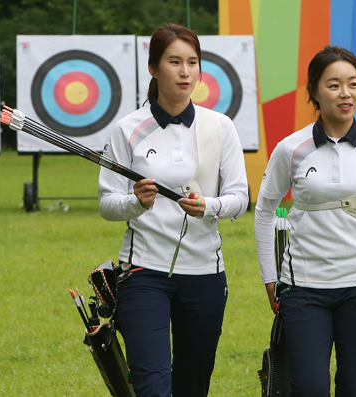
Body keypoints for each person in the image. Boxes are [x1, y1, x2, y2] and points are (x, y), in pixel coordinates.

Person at [255, 45, 356, 397]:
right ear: (314, 91)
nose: (345, 93)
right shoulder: (290, 148)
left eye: (353, 83)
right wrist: (270, 277)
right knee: (310, 388)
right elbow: (265, 210)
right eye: (333, 85)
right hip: (303, 289)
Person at [98, 23, 248, 397]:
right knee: (151, 385)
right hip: (143, 272)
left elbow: (239, 198)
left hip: (205, 274)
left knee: (192, 385)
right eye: (174, 61)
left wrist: (208, 206)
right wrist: (136, 202)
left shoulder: (221, 126)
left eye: (193, 62)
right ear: (153, 68)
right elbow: (107, 203)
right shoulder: (128, 129)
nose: (185, 72)